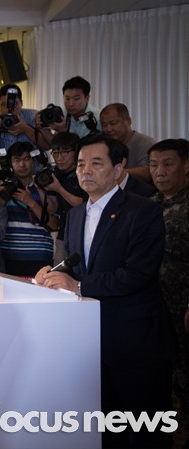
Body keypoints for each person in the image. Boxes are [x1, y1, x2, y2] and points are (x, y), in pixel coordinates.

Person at [35, 136, 174, 449]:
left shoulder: (143, 211)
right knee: (105, 428)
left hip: (135, 340)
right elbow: (77, 265)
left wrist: (78, 286)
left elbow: (138, 274)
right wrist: (53, 273)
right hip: (91, 340)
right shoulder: (75, 215)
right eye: (81, 164)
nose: (85, 171)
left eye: (96, 163)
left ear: (118, 169)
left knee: (145, 429)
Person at [148, 139, 189, 444]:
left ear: (186, 167)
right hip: (153, 305)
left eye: (167, 164)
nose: (159, 171)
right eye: (153, 165)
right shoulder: (148, 205)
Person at [0, 141, 58, 276]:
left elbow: (54, 224)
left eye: (26, 159)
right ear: (10, 163)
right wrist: (2, 195)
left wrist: (31, 202)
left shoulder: (44, 185)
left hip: (39, 255)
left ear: (33, 161)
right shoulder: (5, 188)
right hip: (9, 255)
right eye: (17, 160)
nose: (22, 164)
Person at [43, 132, 85, 263]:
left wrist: (59, 189)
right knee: (58, 269)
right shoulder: (55, 174)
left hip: (84, 230)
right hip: (64, 231)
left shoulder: (84, 174)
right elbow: (52, 209)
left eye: (65, 153)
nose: (59, 158)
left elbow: (85, 205)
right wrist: (41, 188)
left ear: (77, 152)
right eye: (55, 153)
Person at [100, 103, 155, 182]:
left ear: (128, 121)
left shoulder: (145, 143)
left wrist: (115, 172)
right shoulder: (105, 145)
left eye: (113, 123)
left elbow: (148, 172)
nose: (108, 129)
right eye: (104, 125)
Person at [0, 84, 40, 156]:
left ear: (21, 103)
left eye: (14, 103)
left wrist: (26, 129)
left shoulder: (33, 116)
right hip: (6, 162)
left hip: (32, 162)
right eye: (4, 105)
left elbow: (46, 145)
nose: (10, 109)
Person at [38, 76, 102, 142]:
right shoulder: (61, 114)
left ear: (87, 98)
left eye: (76, 99)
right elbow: (55, 144)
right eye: (67, 99)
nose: (70, 104)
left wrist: (63, 131)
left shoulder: (98, 118)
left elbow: (88, 146)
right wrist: (41, 128)